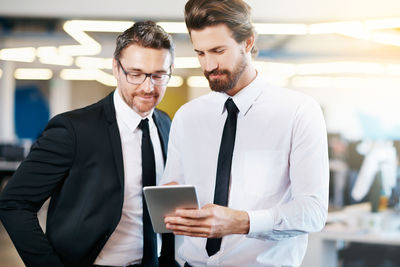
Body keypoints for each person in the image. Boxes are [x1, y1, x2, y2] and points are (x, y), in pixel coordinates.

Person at [161, 0, 329, 266]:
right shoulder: (187, 117)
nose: (209, 65)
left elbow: (313, 212)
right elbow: (173, 189)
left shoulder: (298, 111)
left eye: (218, 50)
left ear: (248, 42)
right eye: (200, 53)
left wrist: (241, 222)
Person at [0, 21, 178, 267]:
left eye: (159, 75)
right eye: (136, 74)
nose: (148, 87)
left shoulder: (165, 123)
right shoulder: (72, 130)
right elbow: (14, 203)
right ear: (116, 68)